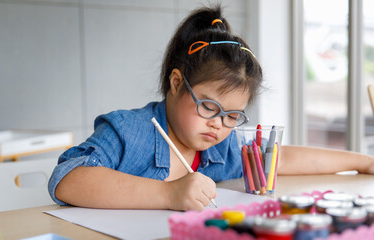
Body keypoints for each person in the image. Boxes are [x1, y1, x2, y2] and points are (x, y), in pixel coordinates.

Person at [48, 5, 374, 212]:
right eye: (208, 106)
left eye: (232, 116)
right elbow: (68, 179)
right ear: (176, 83)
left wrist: (363, 163)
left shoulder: (223, 148)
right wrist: (168, 195)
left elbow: (280, 157)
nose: (218, 124)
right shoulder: (126, 132)